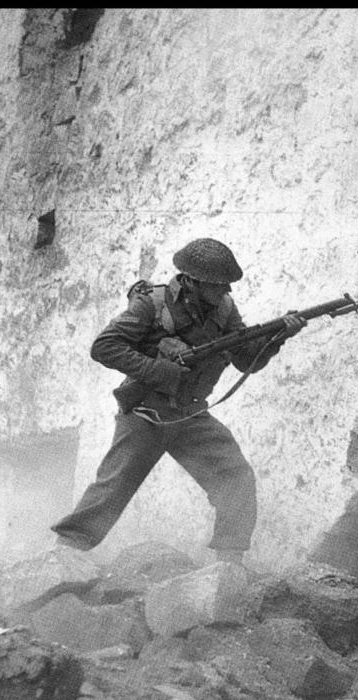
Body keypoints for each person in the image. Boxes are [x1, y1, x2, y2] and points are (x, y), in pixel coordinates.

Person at [50, 238, 306, 566]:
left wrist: (276, 338)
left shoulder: (225, 309)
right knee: (115, 484)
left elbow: (246, 361)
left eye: (227, 284)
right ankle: (65, 554)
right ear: (192, 282)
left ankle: (228, 565)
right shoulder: (151, 304)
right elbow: (104, 346)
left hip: (190, 413)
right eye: (218, 285)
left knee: (235, 476)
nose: (226, 291)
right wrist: (160, 371)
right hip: (147, 411)